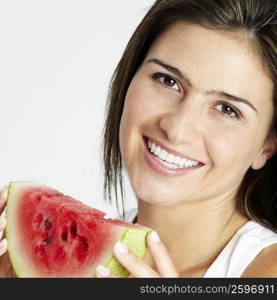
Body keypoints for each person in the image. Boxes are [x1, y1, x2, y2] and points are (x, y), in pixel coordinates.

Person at [0, 0, 277, 277]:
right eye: (167, 80)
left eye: (227, 109)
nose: (177, 129)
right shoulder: (105, 244)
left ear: (267, 144)